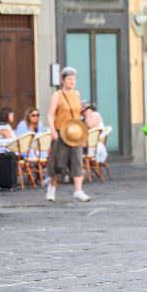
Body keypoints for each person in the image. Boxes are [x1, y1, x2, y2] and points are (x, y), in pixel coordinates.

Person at [45, 66, 91, 203]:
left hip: (76, 132)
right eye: (69, 79)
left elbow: (77, 112)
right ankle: (52, 188)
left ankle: (78, 190)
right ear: (63, 80)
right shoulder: (57, 95)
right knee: (58, 162)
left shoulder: (76, 94)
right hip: (61, 132)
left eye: (74, 79)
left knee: (77, 161)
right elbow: (50, 115)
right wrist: (53, 130)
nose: (72, 81)